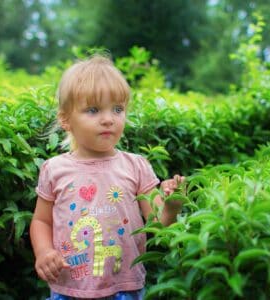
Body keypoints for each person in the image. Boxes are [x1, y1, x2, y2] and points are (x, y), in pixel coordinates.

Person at [30, 54, 185, 300]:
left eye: (117, 109)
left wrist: (172, 207)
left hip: (124, 289)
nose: (108, 119)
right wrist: (44, 251)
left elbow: (159, 223)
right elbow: (42, 221)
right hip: (69, 288)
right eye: (93, 110)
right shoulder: (54, 169)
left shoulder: (136, 166)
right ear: (66, 119)